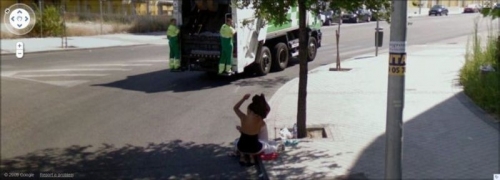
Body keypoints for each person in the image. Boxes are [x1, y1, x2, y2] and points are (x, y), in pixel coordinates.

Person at [232, 93, 271, 166]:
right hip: (255, 149)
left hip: (241, 147)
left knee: (237, 141)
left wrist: (243, 99)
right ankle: (251, 157)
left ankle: (243, 156)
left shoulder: (243, 118)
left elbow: (235, 108)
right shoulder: (260, 120)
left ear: (249, 111)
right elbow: (268, 109)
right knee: (265, 144)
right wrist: (263, 99)